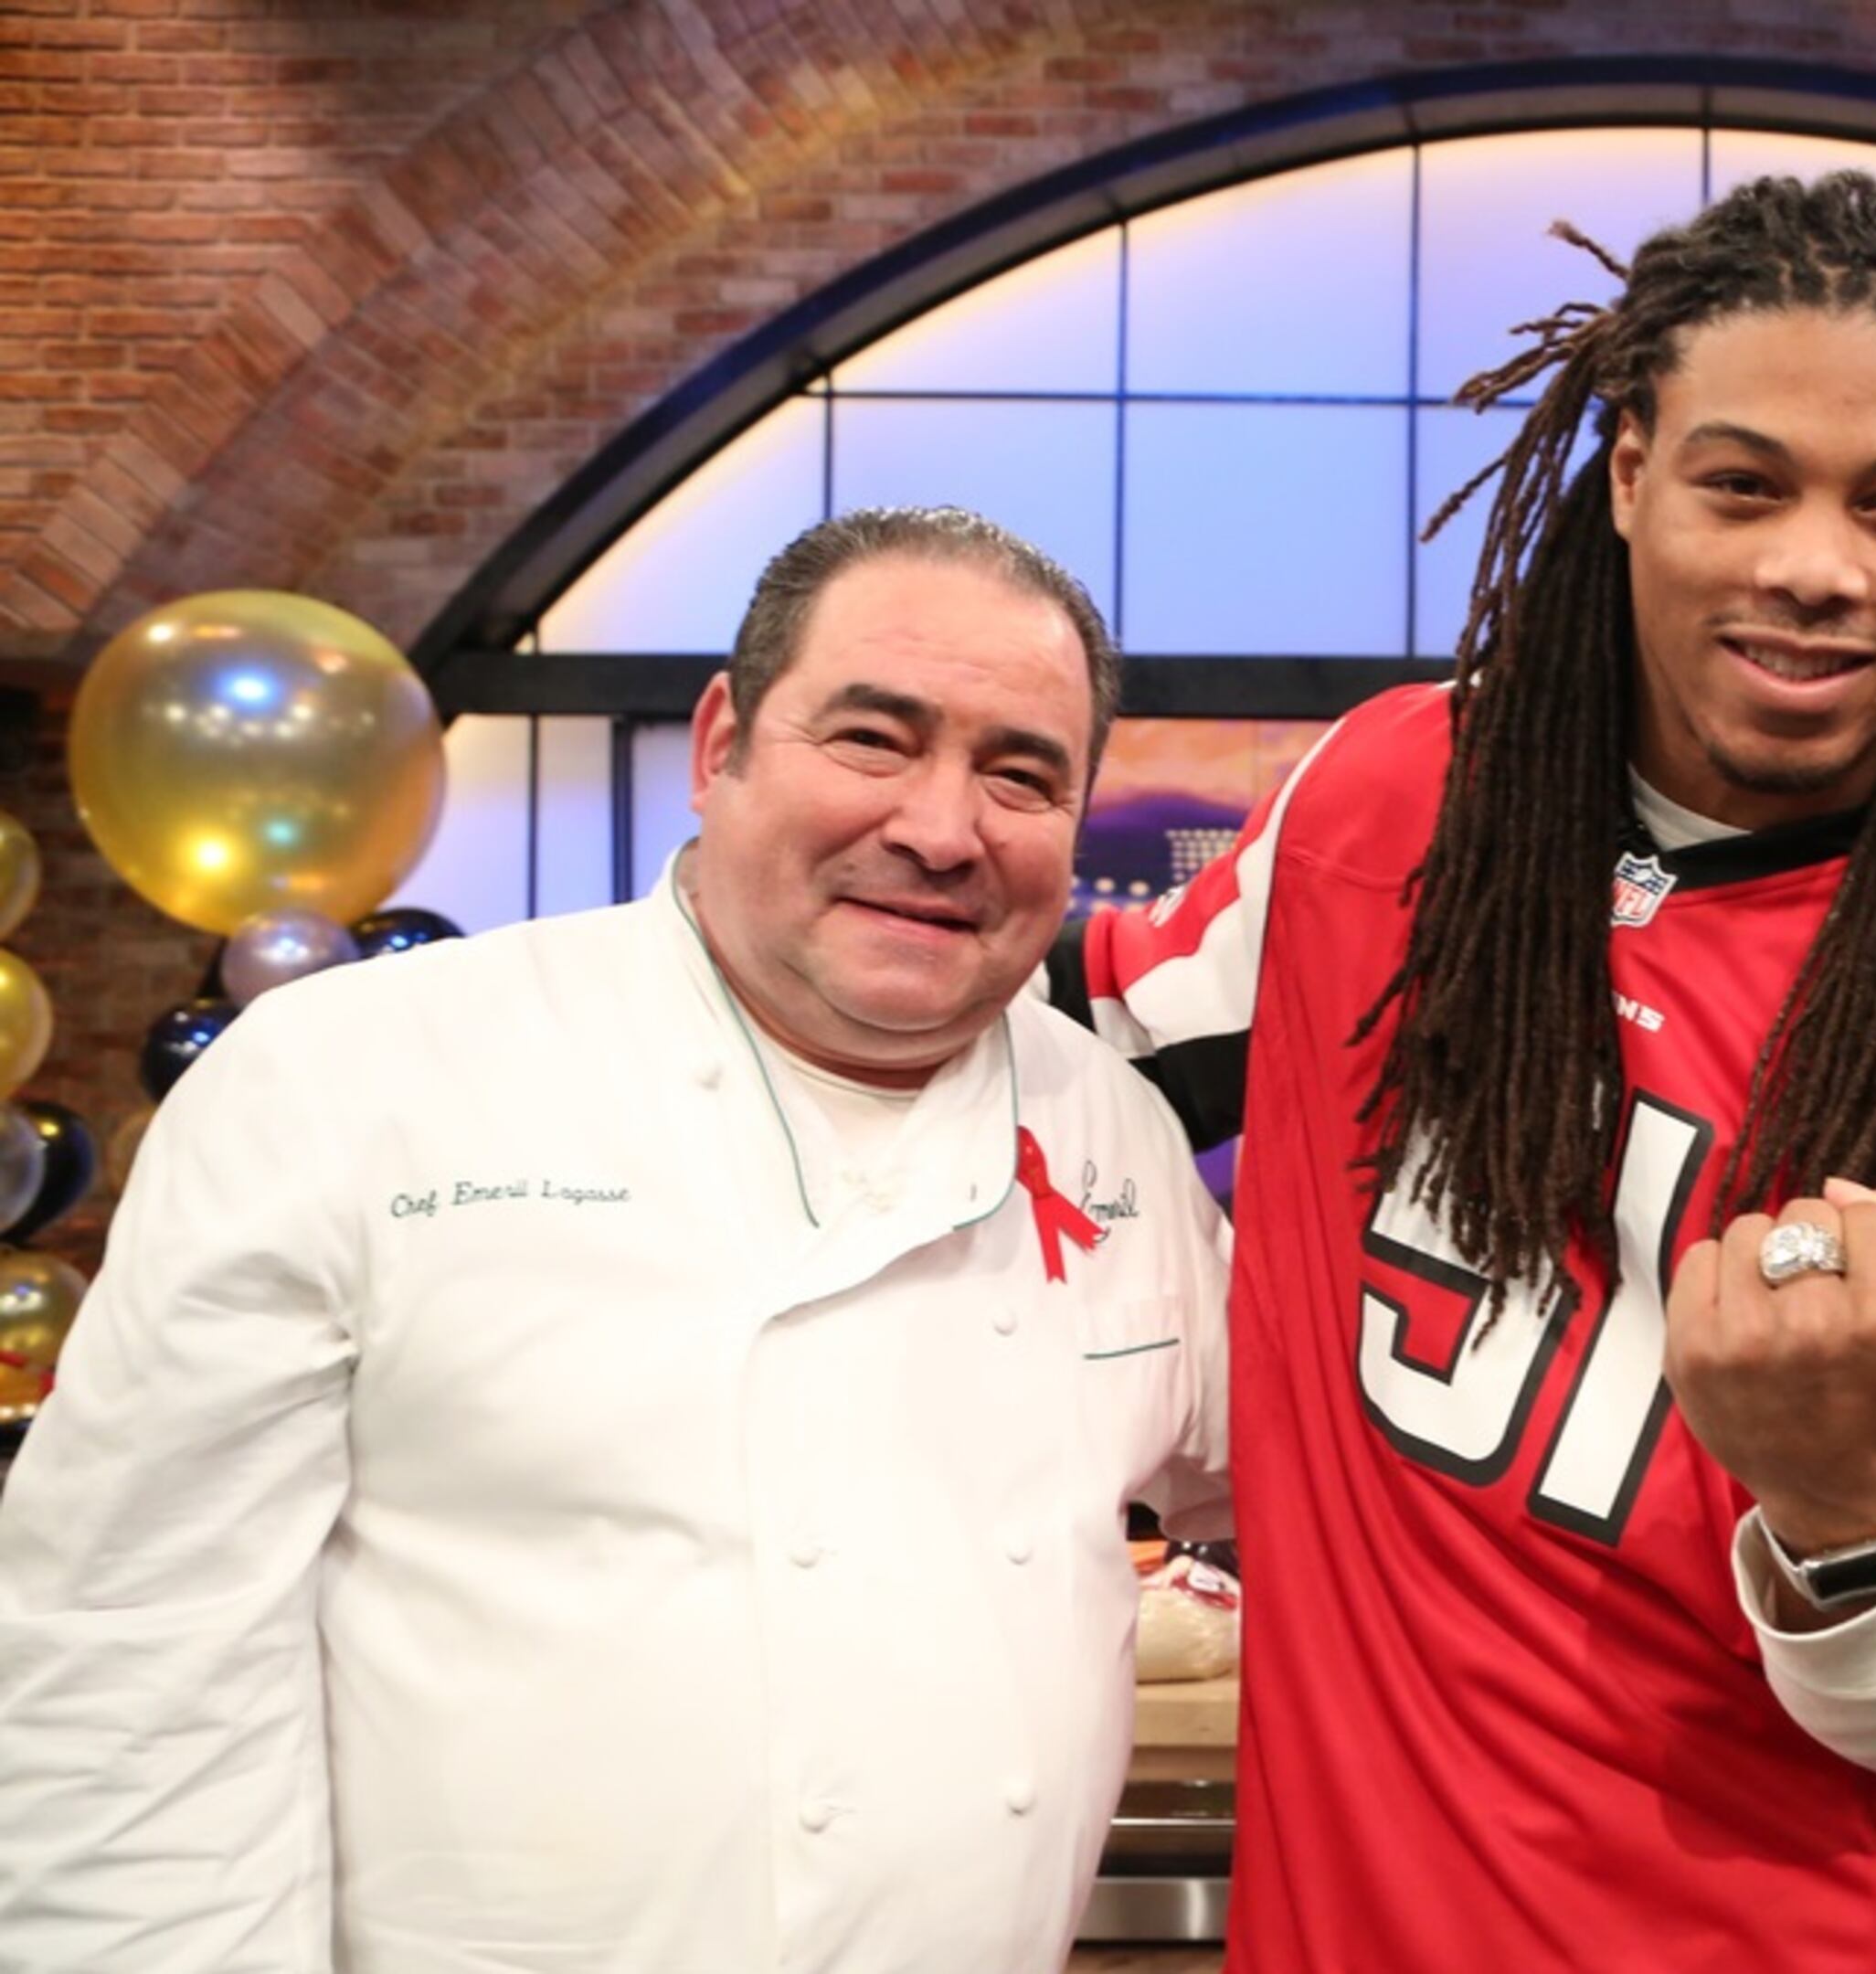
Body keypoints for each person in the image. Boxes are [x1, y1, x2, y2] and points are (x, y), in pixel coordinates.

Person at [1058, 172, 1876, 1969]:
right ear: (1633, 467)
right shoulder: (1389, 801)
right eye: (1747, 483)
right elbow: (1086, 1042)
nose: (1818, 565)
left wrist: (1845, 1505)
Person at [0, 506, 1232, 1973]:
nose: (941, 828)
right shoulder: (350, 1076)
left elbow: (1292, 1485)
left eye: (1020, 775)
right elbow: (130, 1668)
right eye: (873, 740)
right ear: (722, 745)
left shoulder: (1117, 1134)